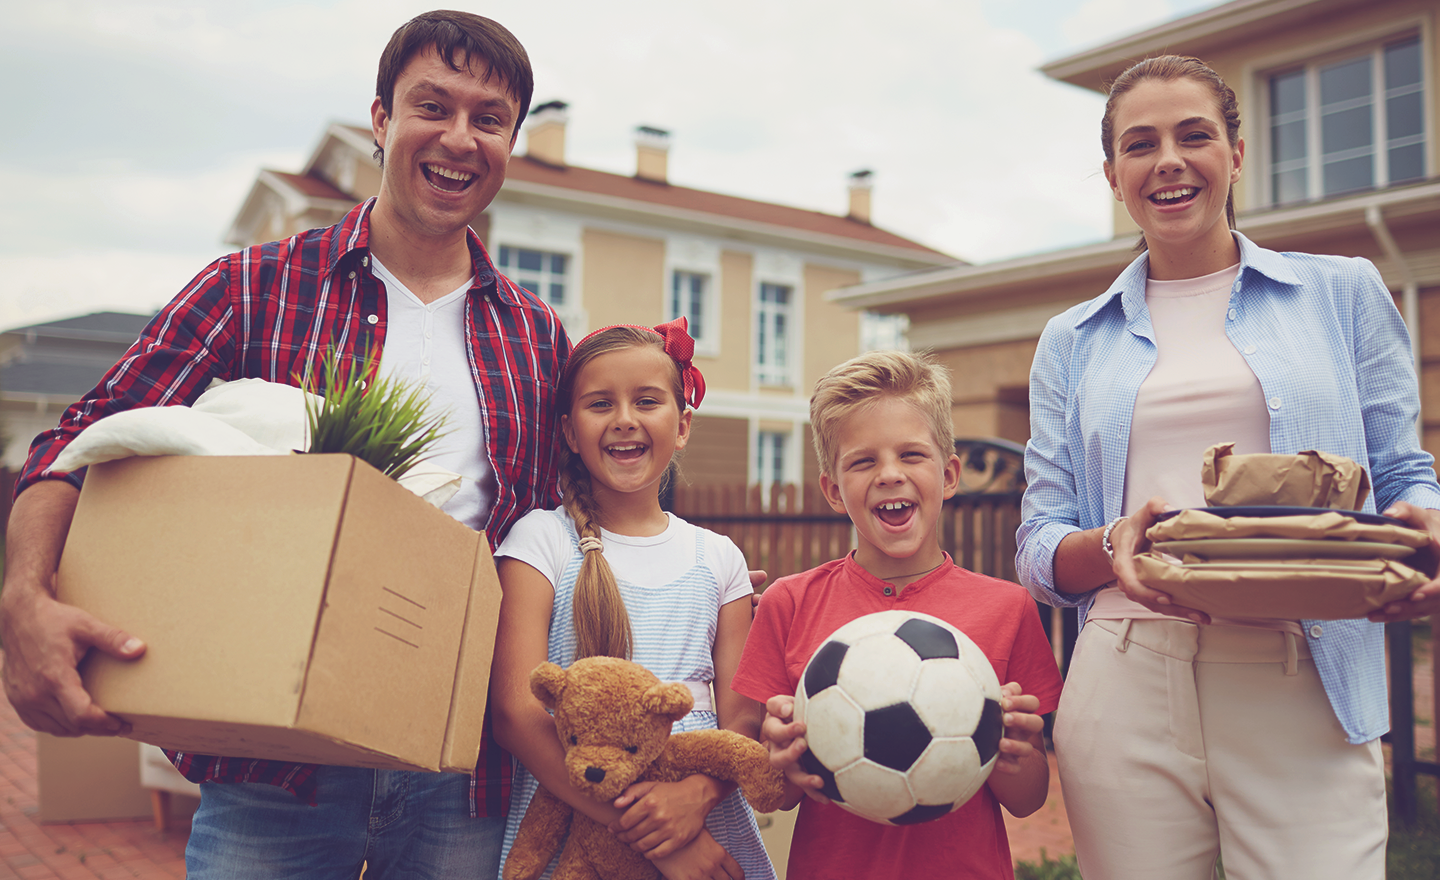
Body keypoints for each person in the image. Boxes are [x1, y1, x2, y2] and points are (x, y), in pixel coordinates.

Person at [2, 11, 572, 879]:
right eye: (433, 106)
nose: (459, 138)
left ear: (512, 141)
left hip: (460, 772)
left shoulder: (536, 336)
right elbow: (75, 442)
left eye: (488, 119)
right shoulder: (254, 288)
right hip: (272, 769)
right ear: (380, 120)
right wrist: (23, 599)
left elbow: (575, 532)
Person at [1017, 54, 1440, 880]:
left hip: (1305, 670)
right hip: (1126, 669)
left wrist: (1422, 535)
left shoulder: (1344, 294)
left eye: (1193, 135)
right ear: (1114, 175)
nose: (1167, 159)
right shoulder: (1071, 339)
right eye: (1140, 144)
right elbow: (1039, 542)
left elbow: (1404, 473)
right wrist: (1116, 544)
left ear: (1236, 155)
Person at [732, 350, 1064, 880]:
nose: (890, 475)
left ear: (949, 474)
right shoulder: (789, 604)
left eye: (911, 455)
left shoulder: (1007, 608)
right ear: (834, 490)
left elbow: (1027, 802)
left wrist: (1017, 753)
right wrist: (783, 761)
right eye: (863, 461)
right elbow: (776, 798)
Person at [491, 320, 772, 880]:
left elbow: (742, 720)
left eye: (647, 400)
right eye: (601, 404)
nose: (624, 419)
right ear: (570, 431)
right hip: (575, 813)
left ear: (683, 423)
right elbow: (516, 715)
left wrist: (692, 799)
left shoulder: (719, 558)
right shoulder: (539, 542)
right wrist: (659, 842)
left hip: (700, 818)